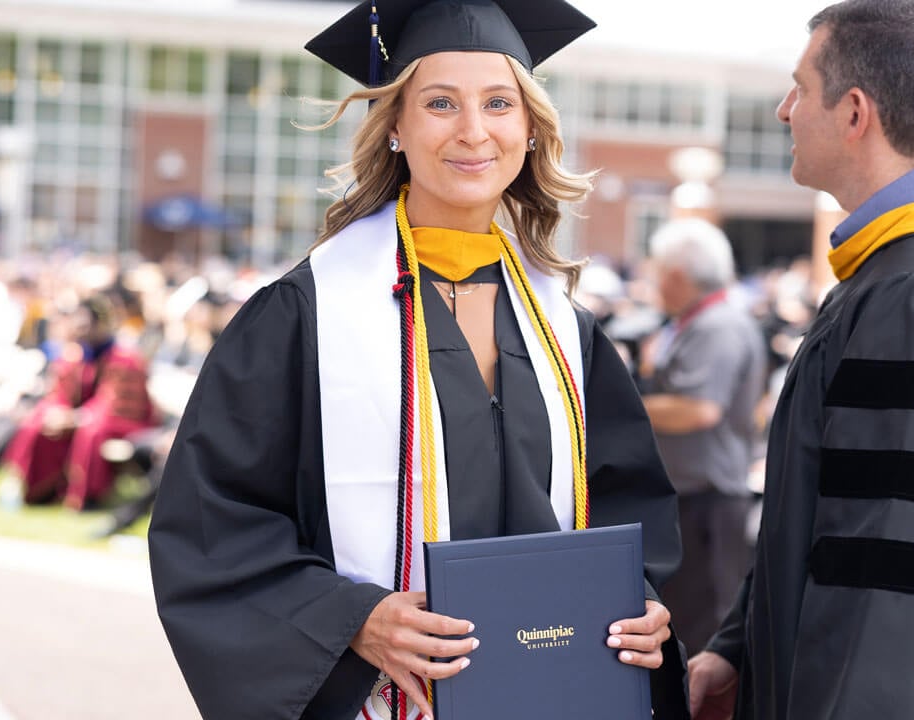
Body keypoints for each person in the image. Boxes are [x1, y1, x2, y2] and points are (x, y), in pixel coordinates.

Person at [148, 1, 688, 718]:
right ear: (396, 127)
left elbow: (627, 511)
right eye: (440, 103)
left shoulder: (567, 331)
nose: (473, 130)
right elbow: (213, 522)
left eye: (499, 103)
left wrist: (639, 604)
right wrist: (354, 618)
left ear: (529, 130)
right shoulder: (305, 316)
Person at [687, 2, 914, 718]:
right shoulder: (888, 278)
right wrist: (739, 646)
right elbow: (829, 514)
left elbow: (888, 566)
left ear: (855, 112)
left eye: (800, 88)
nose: (783, 110)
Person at [638, 219, 765, 657]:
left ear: (676, 274)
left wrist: (626, 410)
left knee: (699, 625)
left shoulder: (717, 324)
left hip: (707, 501)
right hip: (697, 498)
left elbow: (699, 409)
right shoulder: (705, 321)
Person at [1, 293, 157, 509]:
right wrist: (58, 413)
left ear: (101, 324)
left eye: (85, 325)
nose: (80, 330)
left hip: (123, 422)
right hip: (87, 418)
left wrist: (75, 418)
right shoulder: (76, 355)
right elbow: (60, 394)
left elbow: (115, 404)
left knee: (91, 431)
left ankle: (87, 498)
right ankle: (40, 491)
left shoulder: (126, 359)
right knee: (39, 422)